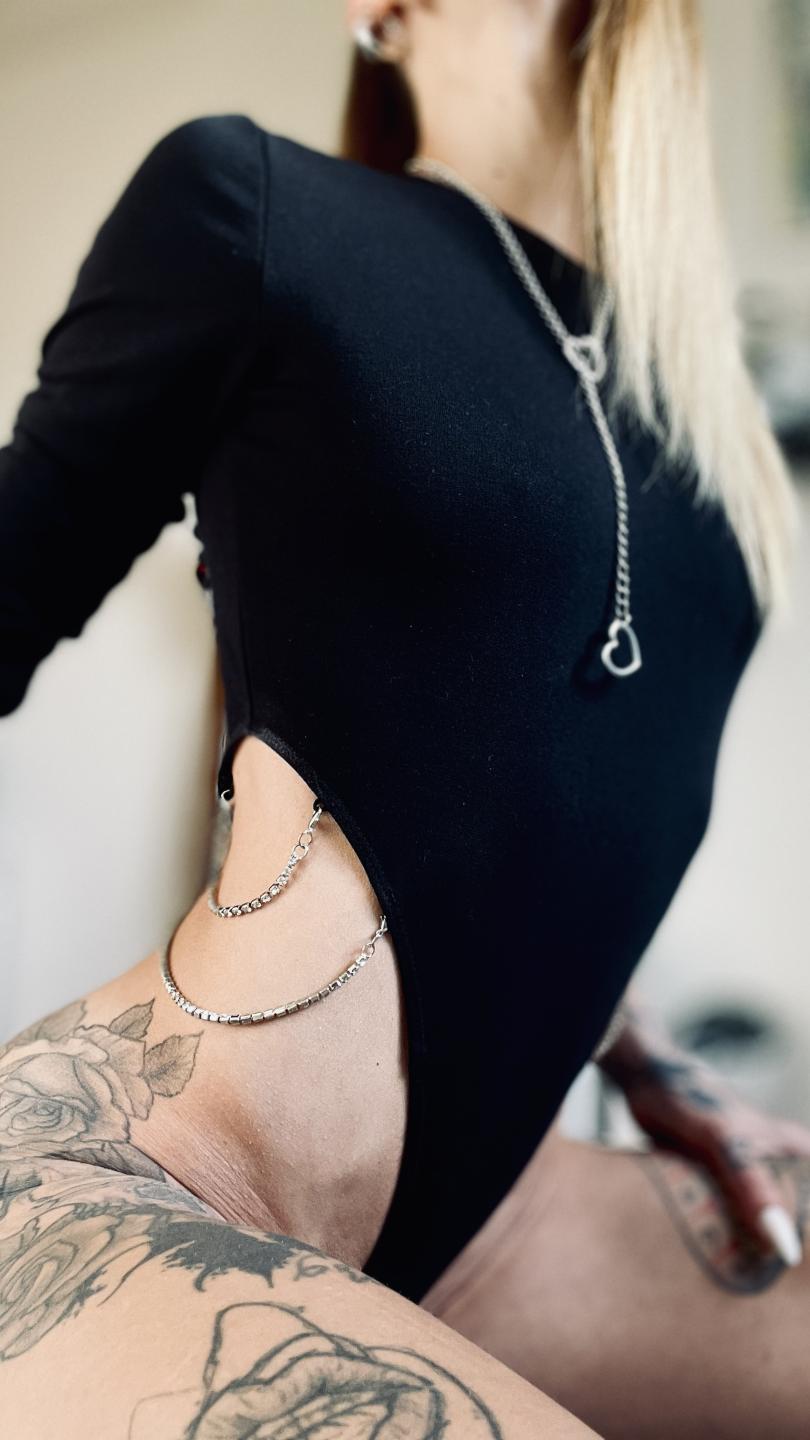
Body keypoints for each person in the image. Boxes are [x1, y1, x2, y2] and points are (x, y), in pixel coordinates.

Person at [0, 1, 807, 1434]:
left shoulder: (700, 399)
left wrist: (638, 1048)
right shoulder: (253, 209)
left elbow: (538, 775)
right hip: (153, 1175)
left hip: (497, 1224)